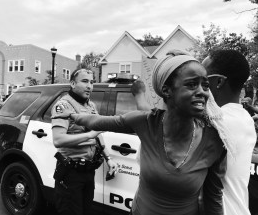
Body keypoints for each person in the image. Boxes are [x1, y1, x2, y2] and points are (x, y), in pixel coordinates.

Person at [53, 52, 227, 215]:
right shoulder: (147, 122)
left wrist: (107, 156)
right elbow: (98, 122)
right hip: (74, 175)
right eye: (191, 84)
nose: (202, 92)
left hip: (88, 172)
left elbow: (213, 198)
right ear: (166, 90)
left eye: (205, 85)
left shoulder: (216, 140)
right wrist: (73, 115)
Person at [51, 68, 117, 215]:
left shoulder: (91, 106)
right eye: (85, 81)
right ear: (73, 83)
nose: (90, 86)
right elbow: (58, 139)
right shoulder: (64, 105)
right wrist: (90, 135)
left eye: (92, 82)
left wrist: (109, 158)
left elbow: (98, 134)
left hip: (88, 171)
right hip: (70, 173)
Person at [202, 49, 256, 215]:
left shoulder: (218, 122)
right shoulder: (243, 117)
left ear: (218, 82)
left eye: (203, 79)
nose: (198, 86)